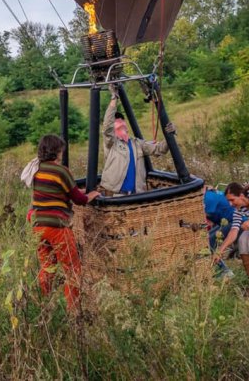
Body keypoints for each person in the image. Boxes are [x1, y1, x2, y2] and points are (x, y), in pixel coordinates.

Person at [31, 134, 100, 309]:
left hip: (38, 226)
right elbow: (78, 199)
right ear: (57, 151)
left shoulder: (37, 170)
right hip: (57, 227)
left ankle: (44, 305)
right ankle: (73, 310)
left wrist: (78, 191)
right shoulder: (62, 171)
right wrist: (90, 195)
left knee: (47, 267)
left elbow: (55, 191)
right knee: (72, 269)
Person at [100, 86, 169, 195]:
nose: (122, 126)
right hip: (116, 194)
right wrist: (114, 97)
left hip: (136, 195)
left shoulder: (137, 144)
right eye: (118, 125)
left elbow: (159, 149)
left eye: (123, 123)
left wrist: (169, 135)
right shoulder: (112, 143)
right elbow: (107, 126)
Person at [203, 183, 236, 279]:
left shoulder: (208, 197)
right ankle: (216, 269)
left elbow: (206, 222)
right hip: (227, 221)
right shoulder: (211, 193)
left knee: (208, 242)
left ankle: (225, 271)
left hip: (234, 222)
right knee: (208, 239)